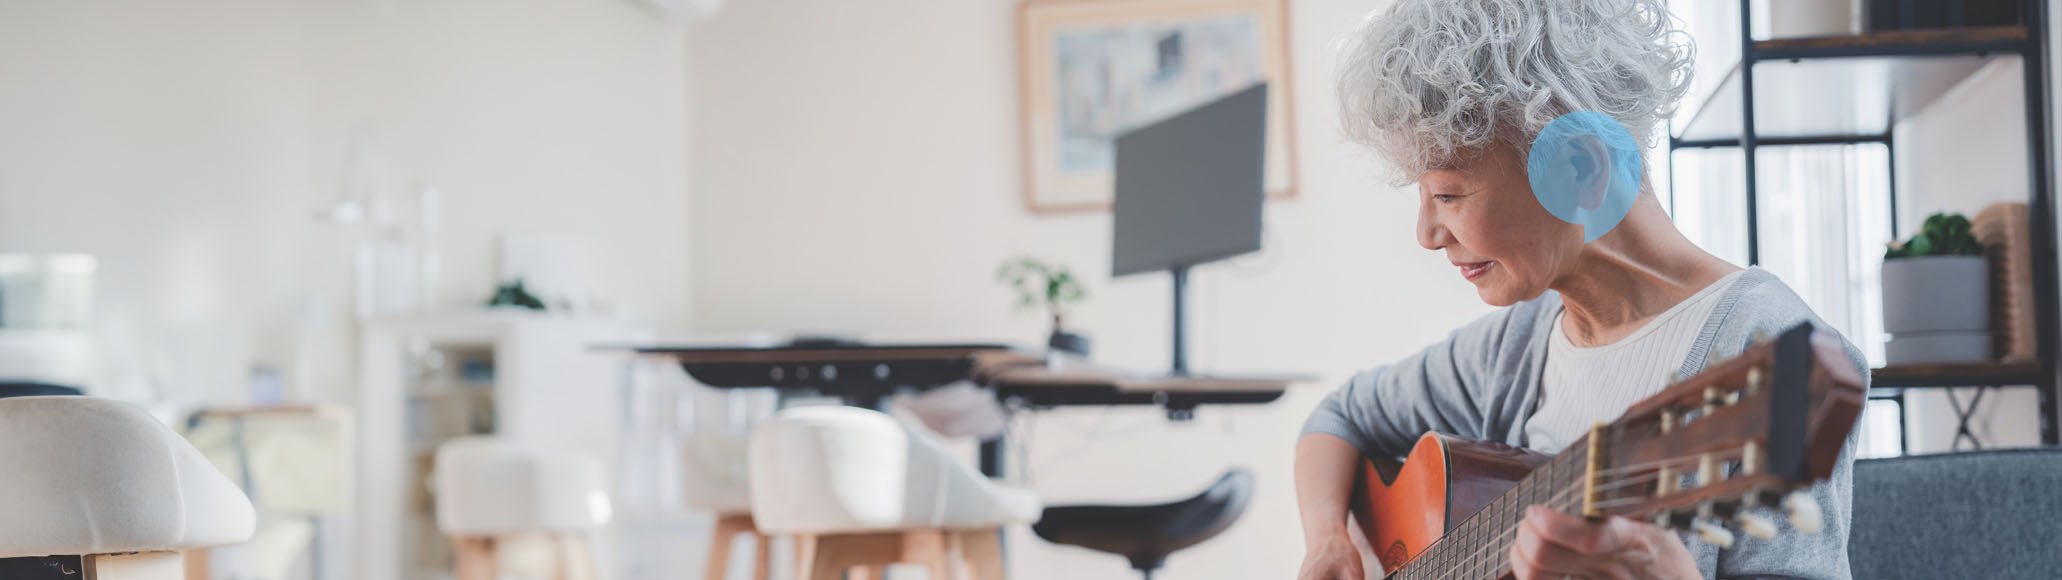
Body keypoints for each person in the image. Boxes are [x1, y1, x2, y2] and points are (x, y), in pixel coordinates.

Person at [1296, 0, 1866, 578]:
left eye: (1447, 195)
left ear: (1578, 169)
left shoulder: (1760, 345)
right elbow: (1339, 417)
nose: (1426, 235)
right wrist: (1328, 542)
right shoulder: (1517, 346)